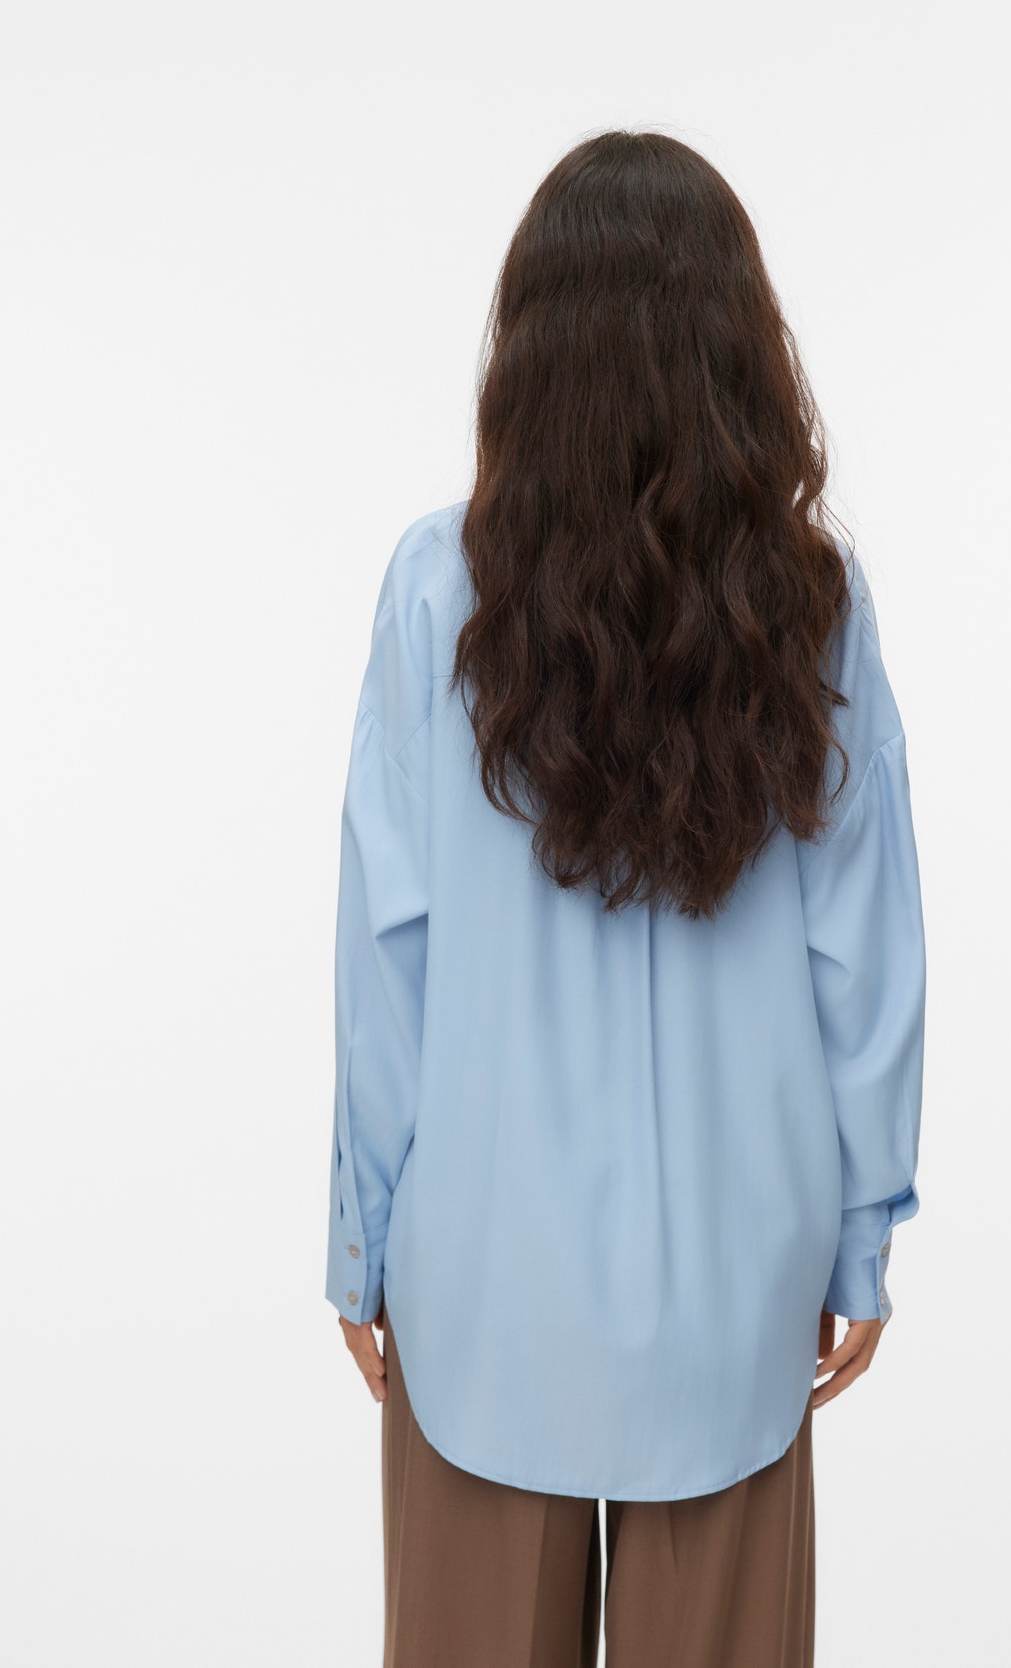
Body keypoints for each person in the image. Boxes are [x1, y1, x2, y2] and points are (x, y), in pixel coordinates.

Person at [324, 129, 926, 1668]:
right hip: (735, 1277)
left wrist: (360, 1237)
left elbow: (389, 946)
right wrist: (861, 1235)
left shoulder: (435, 589)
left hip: (483, 1275)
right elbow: (863, 952)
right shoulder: (812, 605)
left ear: (529, 346)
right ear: (741, 349)